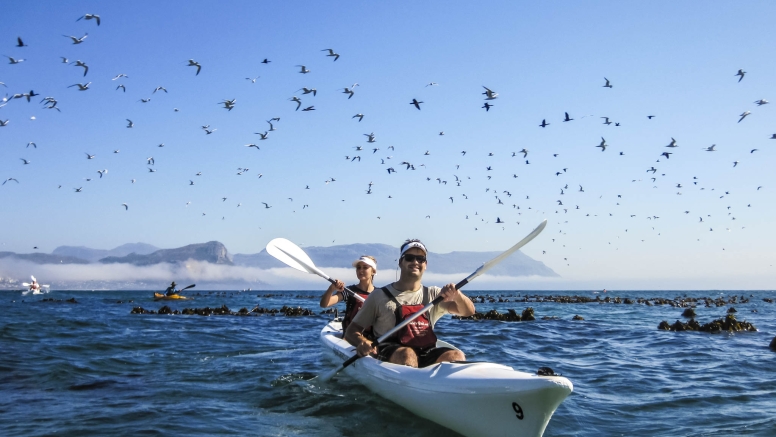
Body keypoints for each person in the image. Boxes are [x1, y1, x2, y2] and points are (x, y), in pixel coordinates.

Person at [344, 239, 476, 368]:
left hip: (426, 352)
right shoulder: (378, 296)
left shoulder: (435, 295)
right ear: (401, 262)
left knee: (457, 356)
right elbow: (351, 331)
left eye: (420, 259)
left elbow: (468, 311)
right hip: (390, 351)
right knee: (407, 354)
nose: (415, 262)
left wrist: (457, 296)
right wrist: (362, 342)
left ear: (426, 264)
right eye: (409, 258)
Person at [320, 256, 377, 332]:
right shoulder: (349, 291)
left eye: (365, 267)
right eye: (358, 267)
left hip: (373, 337)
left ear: (373, 271)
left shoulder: (379, 293)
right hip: (351, 336)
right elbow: (324, 304)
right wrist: (331, 288)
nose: (361, 270)